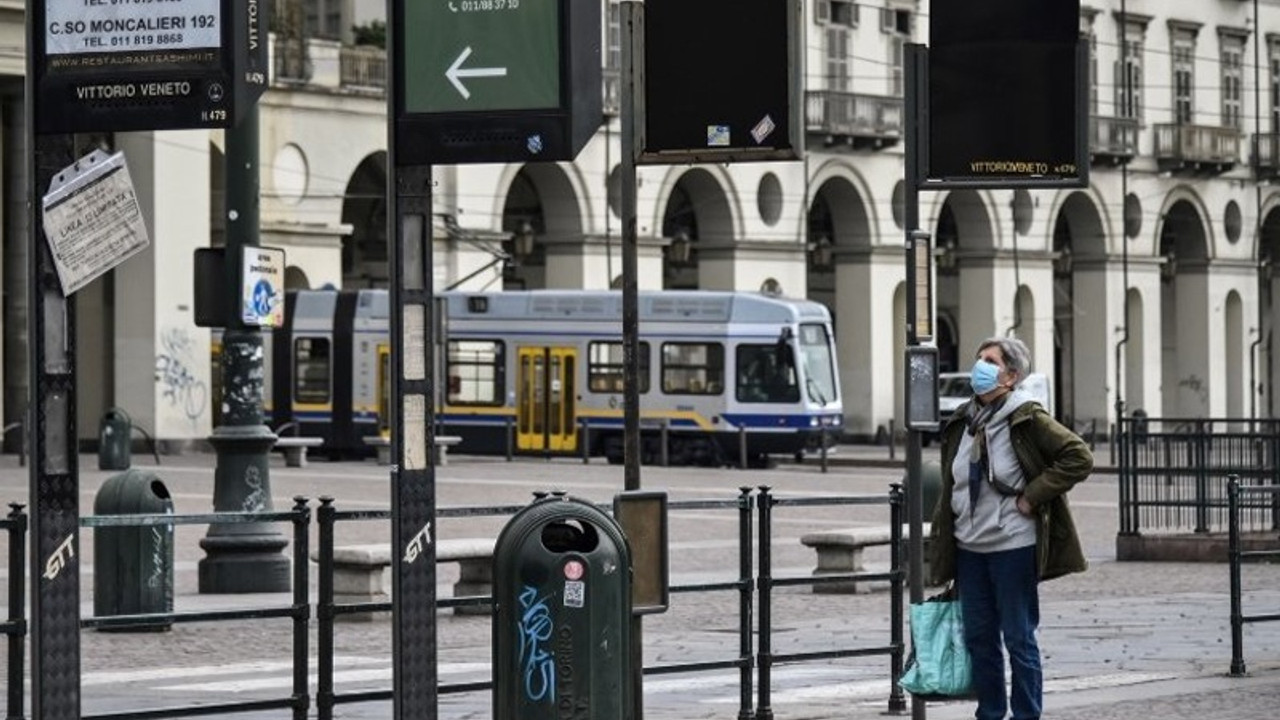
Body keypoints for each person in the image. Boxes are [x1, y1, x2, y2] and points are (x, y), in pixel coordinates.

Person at [928, 336, 1093, 720]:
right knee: (978, 638)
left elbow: (1078, 457)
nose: (979, 366)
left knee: (1018, 637)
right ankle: (989, 713)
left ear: (1011, 375)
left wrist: (1032, 496)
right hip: (970, 547)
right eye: (978, 358)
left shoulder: (1026, 416)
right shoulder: (964, 419)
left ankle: (1026, 715)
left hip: (1012, 546)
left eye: (990, 361)